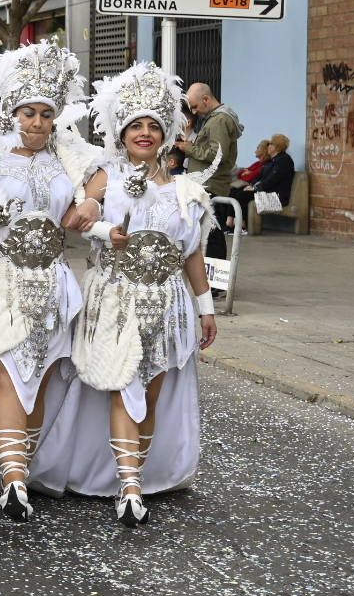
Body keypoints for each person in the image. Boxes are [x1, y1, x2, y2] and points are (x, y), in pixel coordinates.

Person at [68, 62, 218, 526]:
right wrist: (102, 225)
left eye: (155, 125)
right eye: (137, 125)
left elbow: (191, 254)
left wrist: (205, 308)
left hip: (169, 302)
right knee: (123, 386)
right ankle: (129, 486)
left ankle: (138, 475)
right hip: (117, 297)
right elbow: (77, 220)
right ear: (122, 132)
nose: (146, 133)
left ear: (167, 133)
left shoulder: (186, 191)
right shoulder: (105, 176)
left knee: (151, 392)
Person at [0, 40, 95, 521]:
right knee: (8, 373)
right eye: (27, 113)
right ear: (12, 113)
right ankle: (12, 479)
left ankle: (21, 467)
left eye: (44, 115)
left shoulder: (68, 160)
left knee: (41, 374)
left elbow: (106, 174)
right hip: (0, 278)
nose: (35, 123)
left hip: (53, 282)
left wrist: (91, 202)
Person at [176, 83, 242, 260]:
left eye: (196, 106)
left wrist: (190, 148)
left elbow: (216, 154)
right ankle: (210, 279)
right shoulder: (215, 119)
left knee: (212, 234)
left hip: (212, 184)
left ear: (206, 99)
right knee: (208, 233)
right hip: (207, 183)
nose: (194, 112)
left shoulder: (219, 120)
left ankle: (215, 282)